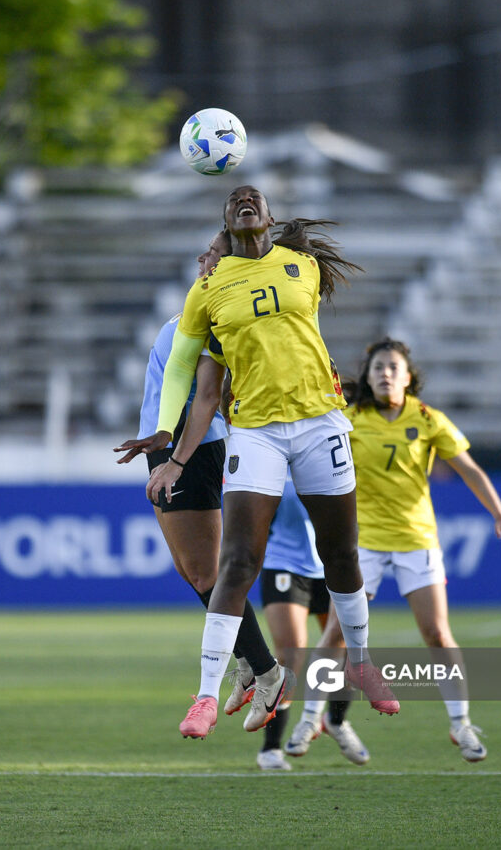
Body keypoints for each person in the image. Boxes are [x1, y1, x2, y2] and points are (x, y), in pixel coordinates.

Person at [146, 184, 400, 740]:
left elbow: (292, 296)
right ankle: (206, 696)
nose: (245, 200)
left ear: (269, 216)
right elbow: (204, 389)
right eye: (235, 200)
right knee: (237, 562)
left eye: (254, 198)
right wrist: (176, 457)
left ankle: (359, 665)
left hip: (320, 424)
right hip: (256, 432)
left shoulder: (301, 266)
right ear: (224, 222)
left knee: (341, 554)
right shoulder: (208, 291)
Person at [113, 245, 287, 727]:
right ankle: (254, 665)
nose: (203, 258)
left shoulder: (219, 317)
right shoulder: (198, 309)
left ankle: (266, 672)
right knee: (197, 574)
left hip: (192, 448)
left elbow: (210, 396)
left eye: (215, 253)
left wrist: (177, 457)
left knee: (208, 574)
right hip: (168, 446)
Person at [342, 337, 501, 762]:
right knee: (340, 633)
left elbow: (470, 469)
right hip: (363, 540)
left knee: (437, 633)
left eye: (393, 367)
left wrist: (500, 514)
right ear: (368, 378)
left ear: (408, 377)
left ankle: (460, 724)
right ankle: (315, 718)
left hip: (416, 540)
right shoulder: (349, 419)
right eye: (378, 368)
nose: (385, 373)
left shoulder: (428, 419)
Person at [257, 475, 370, 771]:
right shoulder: (273, 458)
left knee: (342, 646)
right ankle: (270, 747)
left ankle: (336, 721)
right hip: (283, 563)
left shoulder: (331, 458)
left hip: (331, 565)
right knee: (290, 654)